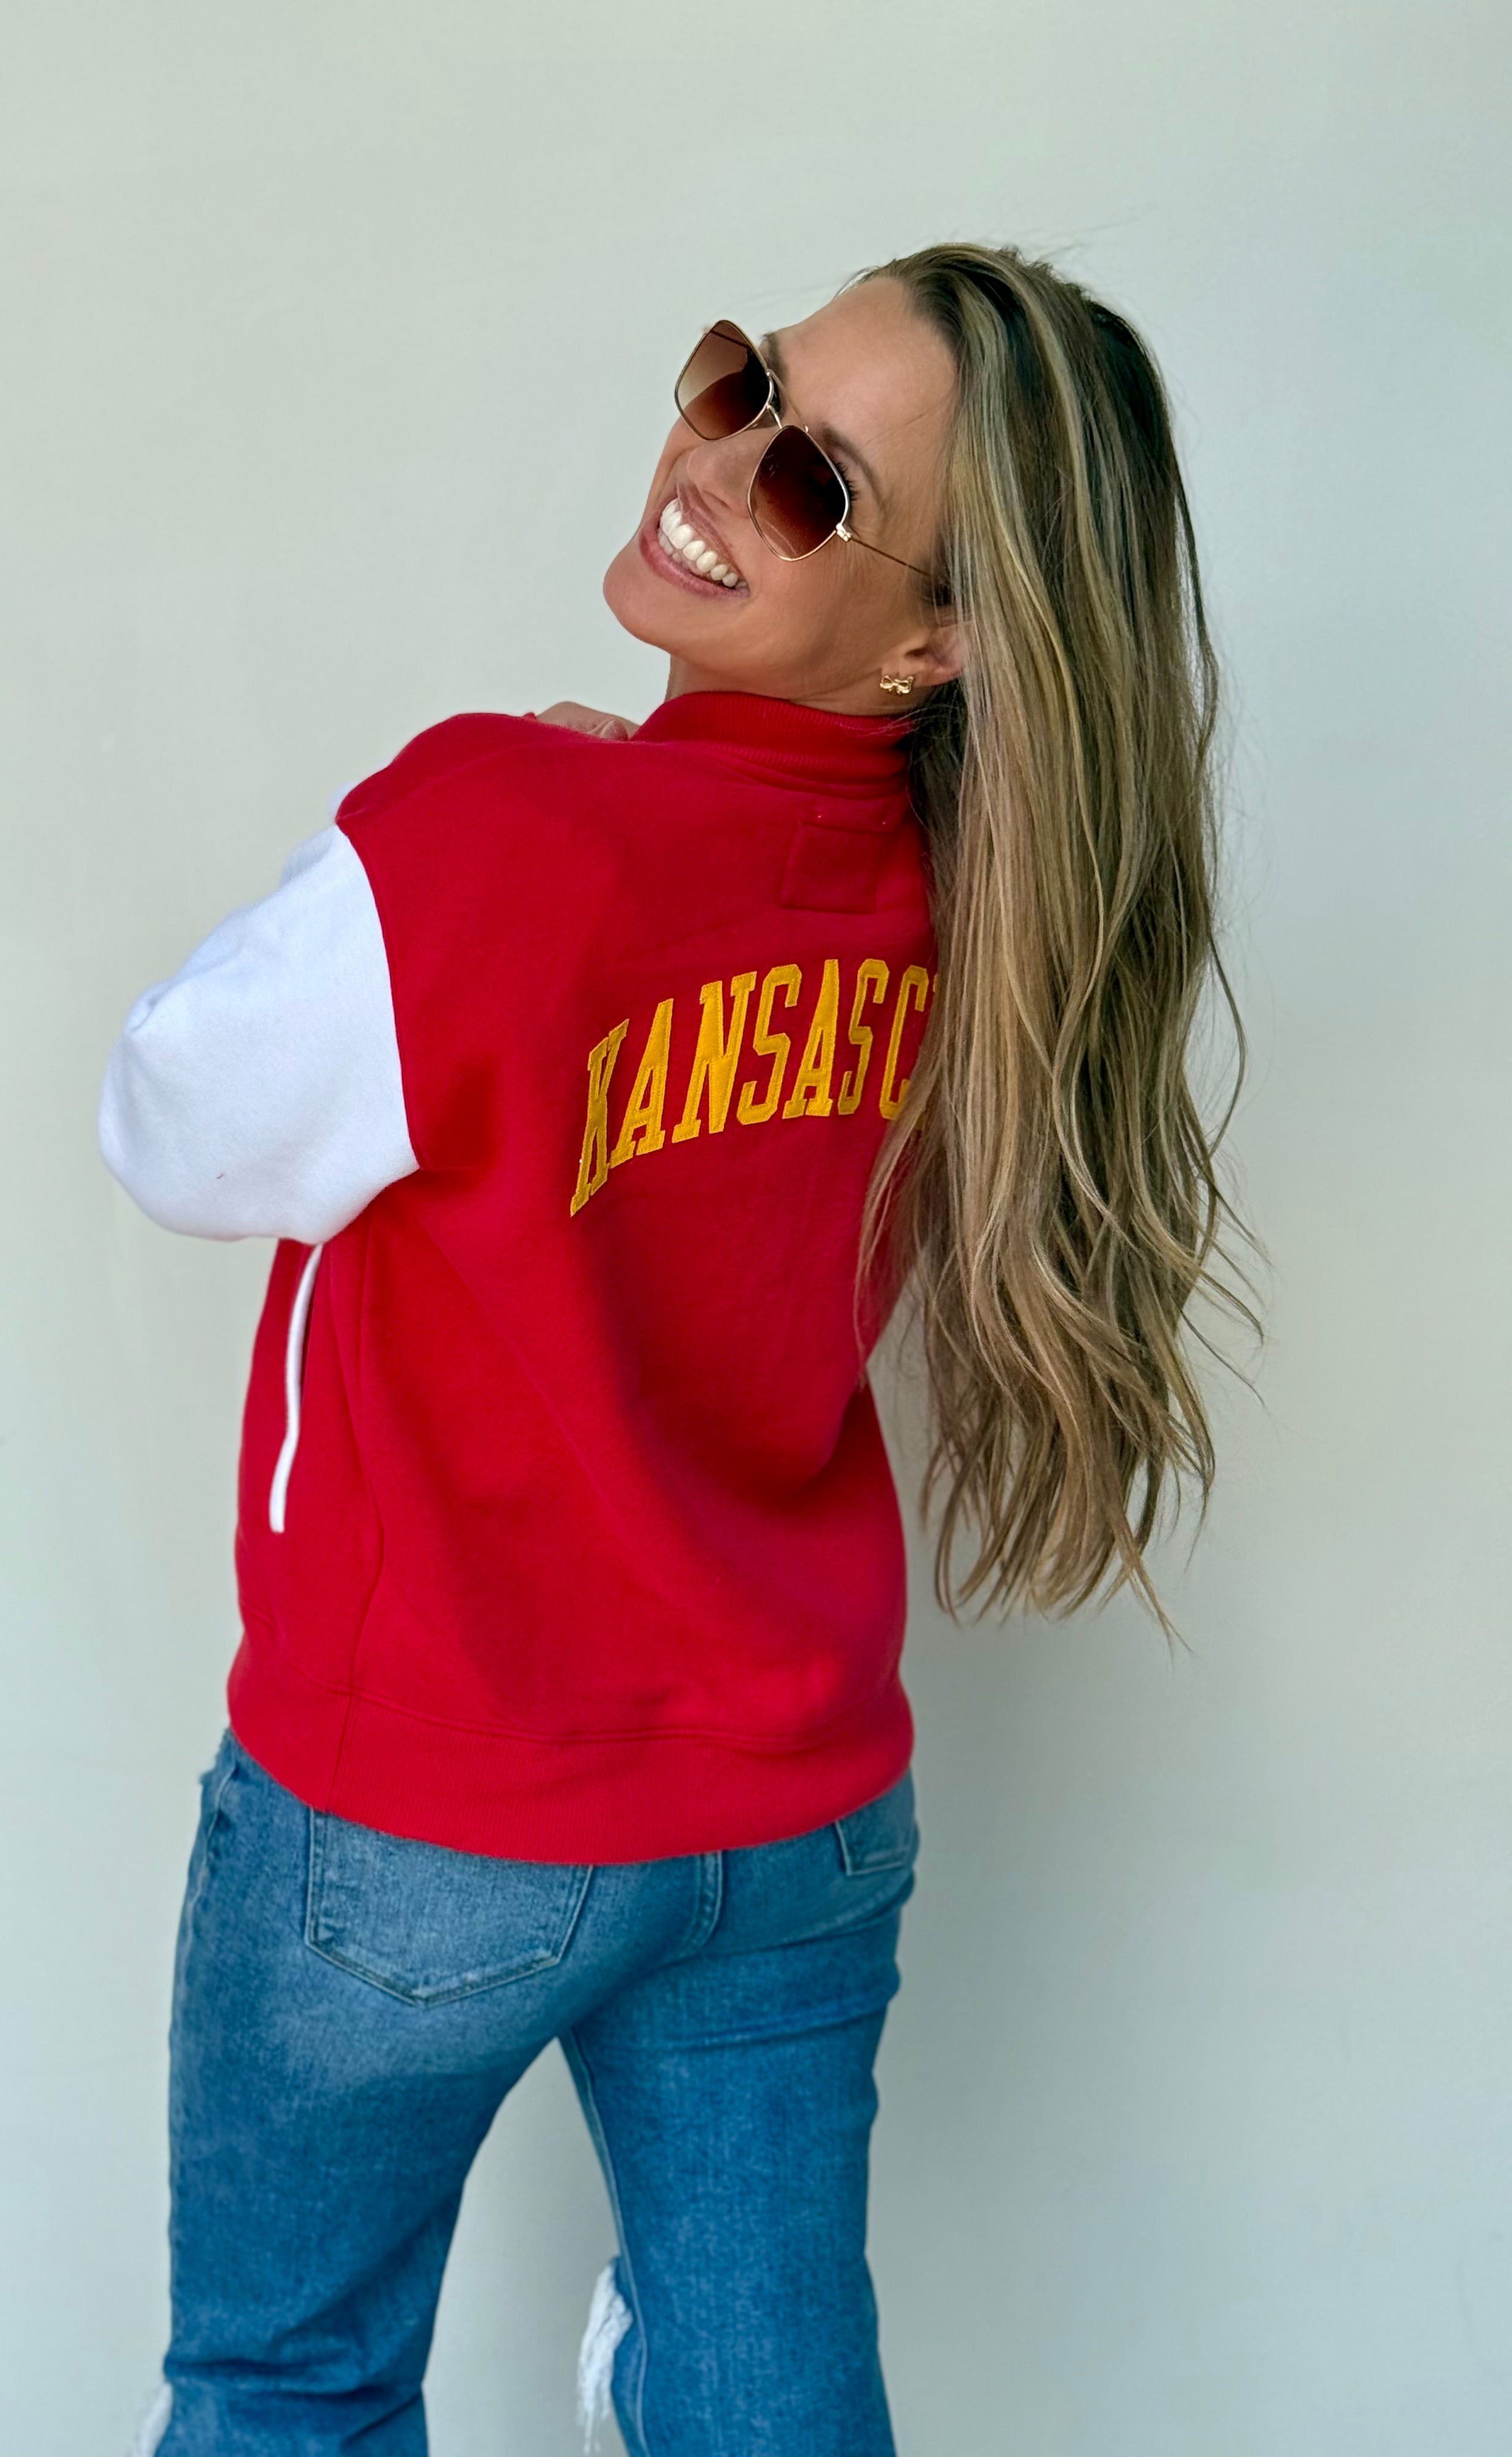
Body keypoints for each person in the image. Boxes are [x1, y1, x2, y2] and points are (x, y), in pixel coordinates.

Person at [99, 240, 1253, 2457]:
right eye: (743, 381)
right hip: (794, 1815)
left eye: (817, 482)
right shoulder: (989, 917)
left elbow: (175, 1124)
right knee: (766, 2404)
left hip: (420, 1805)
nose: (715, 465)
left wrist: (421, 852)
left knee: (284, 2384)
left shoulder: (494, 830)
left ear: (935, 643)